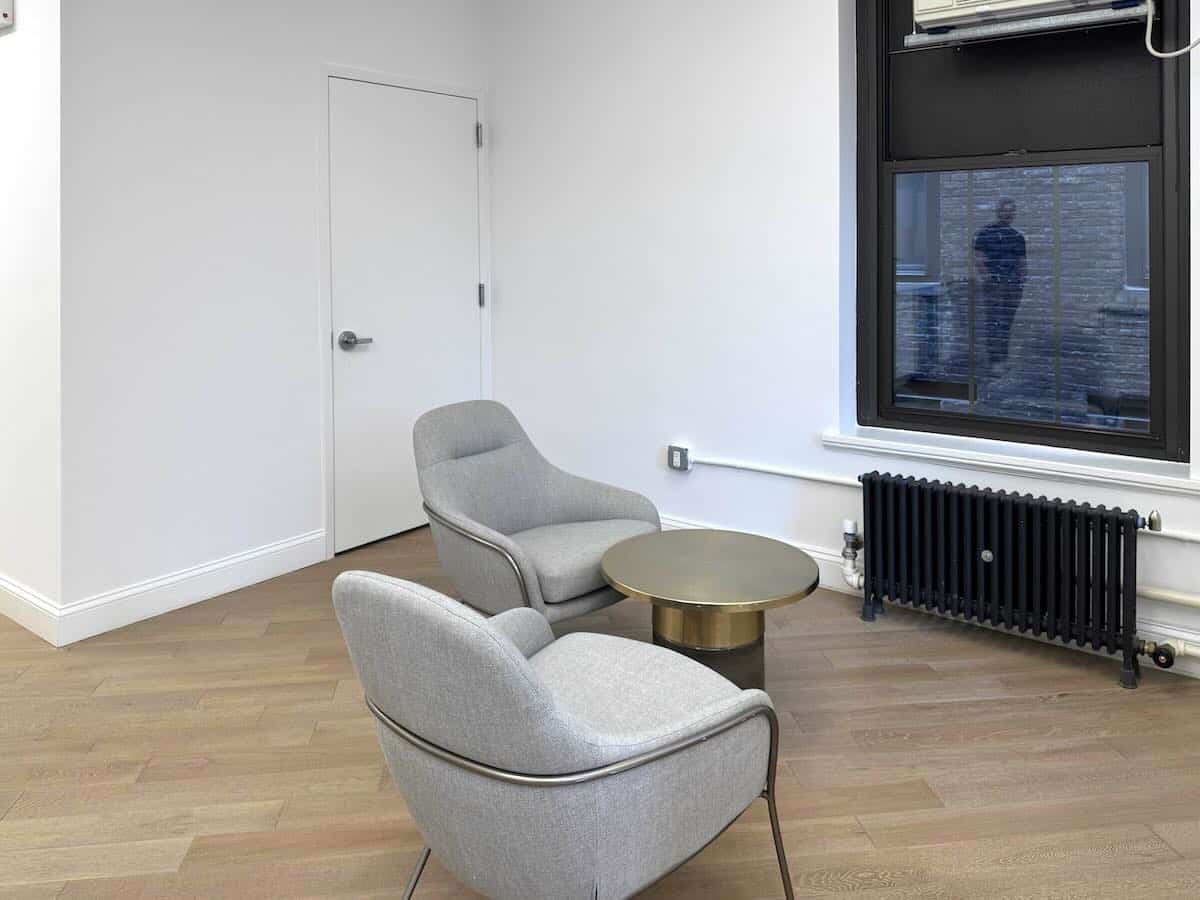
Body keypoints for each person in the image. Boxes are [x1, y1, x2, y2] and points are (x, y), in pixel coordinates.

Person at [973, 198, 1027, 368]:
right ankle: (994, 361)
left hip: (1012, 286)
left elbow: (1022, 262)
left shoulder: (1017, 236)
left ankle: (1003, 359)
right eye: (1005, 210)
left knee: (1007, 322)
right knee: (994, 321)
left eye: (1012, 210)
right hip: (994, 285)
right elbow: (979, 259)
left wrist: (1020, 282)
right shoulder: (985, 233)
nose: (1008, 213)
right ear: (998, 211)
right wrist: (988, 278)